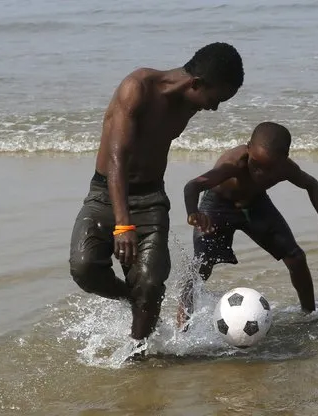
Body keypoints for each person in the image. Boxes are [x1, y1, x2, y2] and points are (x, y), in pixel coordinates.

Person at [68, 42, 244, 354]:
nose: (214, 108)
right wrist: (123, 225)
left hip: (151, 199)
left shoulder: (190, 102)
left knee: (150, 283)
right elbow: (117, 158)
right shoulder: (137, 89)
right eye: (215, 99)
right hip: (105, 193)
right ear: (196, 83)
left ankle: (137, 353)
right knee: (84, 269)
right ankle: (129, 297)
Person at [177, 121, 318, 329]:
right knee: (202, 265)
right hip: (218, 207)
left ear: (284, 159)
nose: (260, 173)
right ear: (248, 148)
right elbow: (192, 186)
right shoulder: (233, 162)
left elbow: (312, 185)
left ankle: (309, 315)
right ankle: (183, 324)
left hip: (255, 205)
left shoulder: (286, 169)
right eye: (255, 164)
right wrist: (194, 213)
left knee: (296, 257)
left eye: (269, 169)